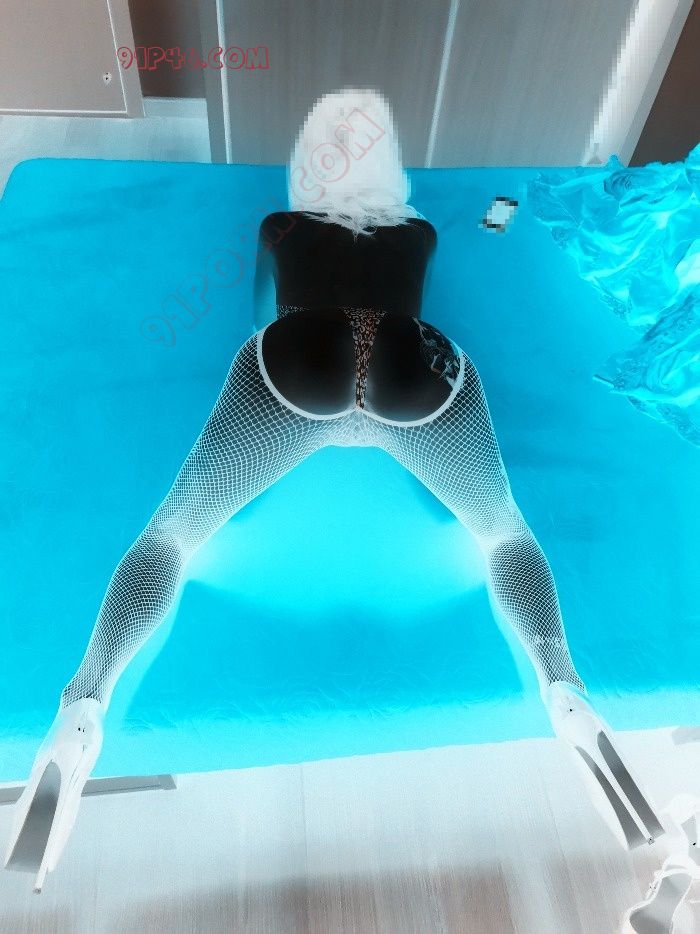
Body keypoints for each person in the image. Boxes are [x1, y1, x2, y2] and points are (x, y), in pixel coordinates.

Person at [4, 88, 670, 894]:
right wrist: (477, 226)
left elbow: (259, 301)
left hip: (298, 358)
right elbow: (455, 252)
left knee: (170, 537)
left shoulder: (279, 226)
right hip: (416, 361)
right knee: (504, 534)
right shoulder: (420, 232)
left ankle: (82, 706)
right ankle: (565, 690)